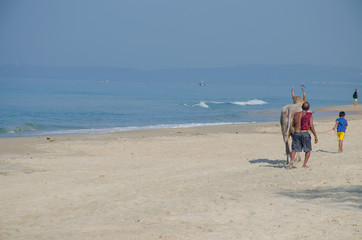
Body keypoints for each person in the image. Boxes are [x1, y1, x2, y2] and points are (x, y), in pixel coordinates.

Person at [289, 102, 318, 169]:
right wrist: (315, 136)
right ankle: (304, 165)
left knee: (294, 150)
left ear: (302, 107)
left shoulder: (296, 114)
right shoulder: (309, 115)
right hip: (304, 133)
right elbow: (311, 126)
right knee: (307, 150)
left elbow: (293, 124)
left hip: (296, 133)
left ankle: (291, 161)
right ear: (309, 108)